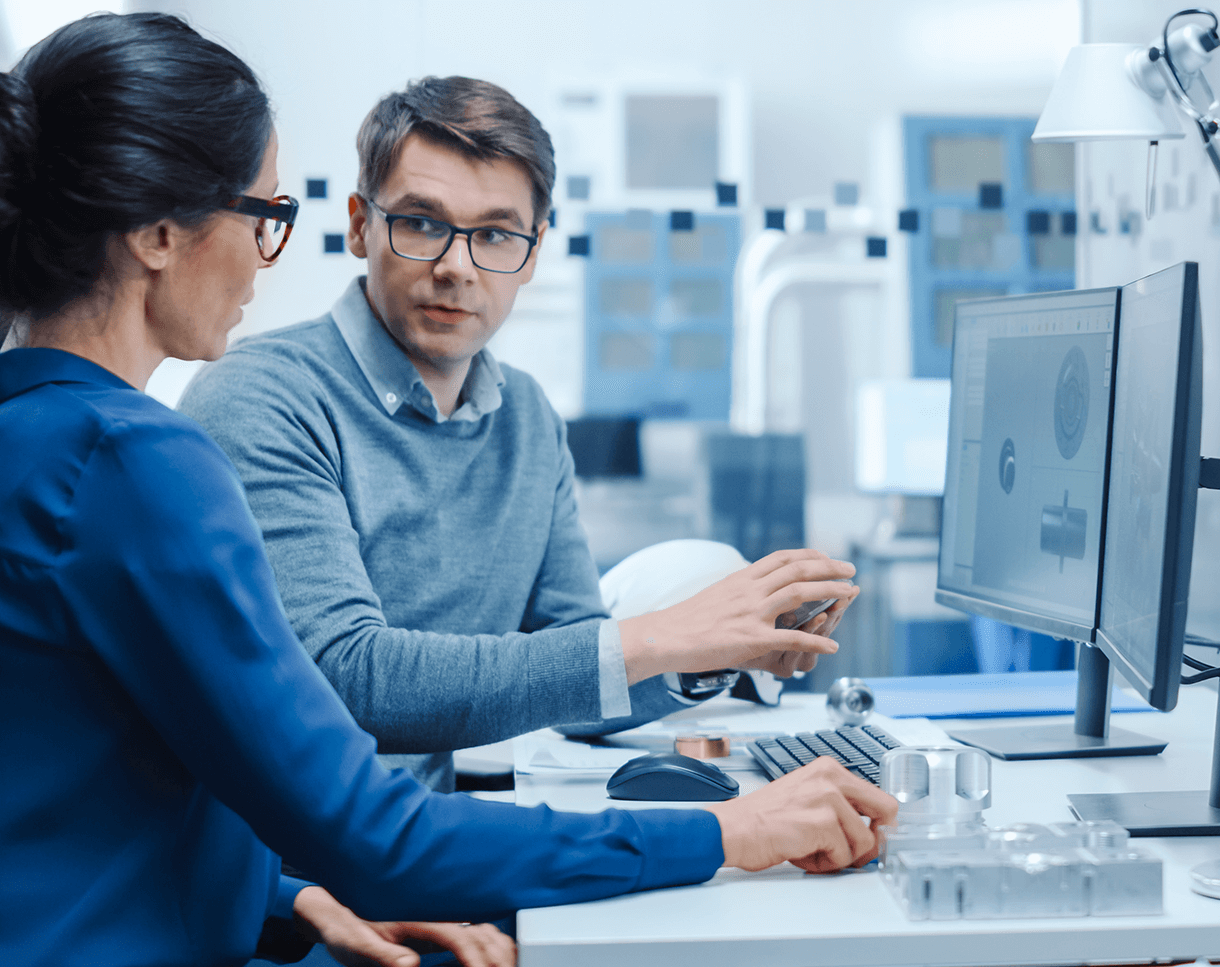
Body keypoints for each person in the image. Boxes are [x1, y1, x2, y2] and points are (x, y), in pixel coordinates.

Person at [0, 15, 896, 967]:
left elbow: (59, 782)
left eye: (498, 235)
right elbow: (369, 817)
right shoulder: (132, 458)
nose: (266, 255)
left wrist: (292, 893)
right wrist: (730, 833)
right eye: (263, 212)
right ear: (159, 233)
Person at [177, 77, 853, 793]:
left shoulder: (526, 419)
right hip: (291, 876)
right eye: (421, 223)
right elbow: (346, 682)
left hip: (415, 845)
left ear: (531, 254)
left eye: (496, 234)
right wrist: (664, 634)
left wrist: (719, 653)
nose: (456, 267)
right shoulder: (262, 398)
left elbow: (581, 677)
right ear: (358, 226)